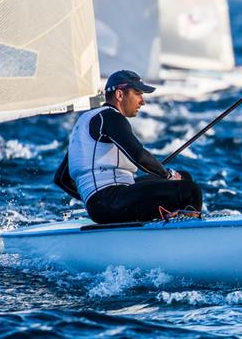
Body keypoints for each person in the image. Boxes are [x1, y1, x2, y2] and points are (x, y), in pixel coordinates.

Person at [54, 70, 203, 224]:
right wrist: (167, 175)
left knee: (183, 177)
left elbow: (61, 178)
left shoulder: (86, 121)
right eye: (138, 93)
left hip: (104, 203)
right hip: (111, 201)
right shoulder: (110, 117)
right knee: (190, 191)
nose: (142, 101)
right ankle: (188, 233)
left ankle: (169, 222)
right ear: (119, 95)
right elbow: (139, 156)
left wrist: (89, 199)